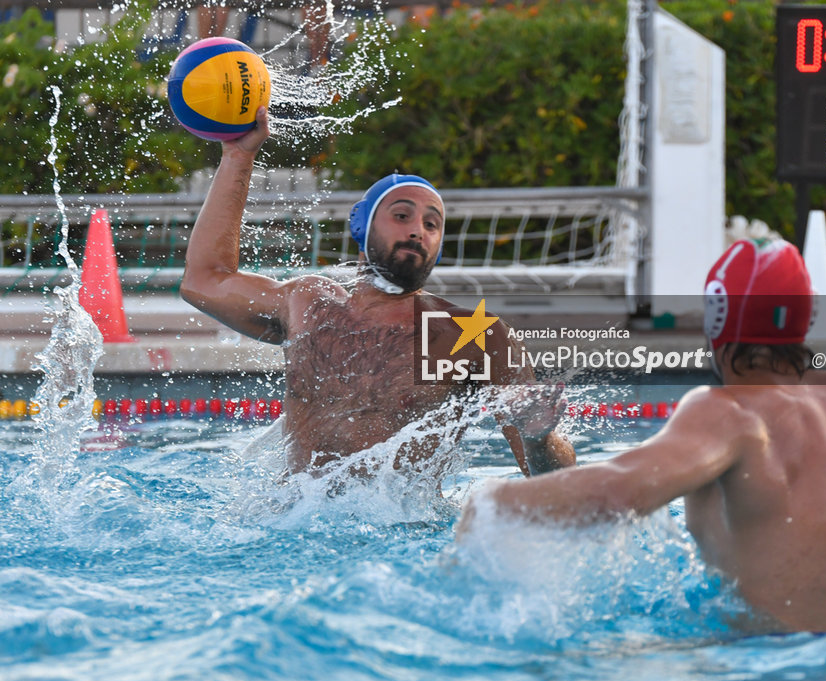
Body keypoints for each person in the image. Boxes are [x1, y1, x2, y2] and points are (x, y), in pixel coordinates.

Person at [457, 238, 826, 633]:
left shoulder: (727, 411)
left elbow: (619, 491)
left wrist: (494, 502)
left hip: (777, 662)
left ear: (717, 323)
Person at [180, 107, 575, 477]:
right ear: (360, 225)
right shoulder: (308, 304)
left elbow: (555, 483)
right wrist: (237, 157)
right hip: (295, 524)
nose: (418, 230)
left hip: (405, 535)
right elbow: (202, 281)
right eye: (402, 216)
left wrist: (538, 438)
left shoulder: (473, 336)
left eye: (432, 224)